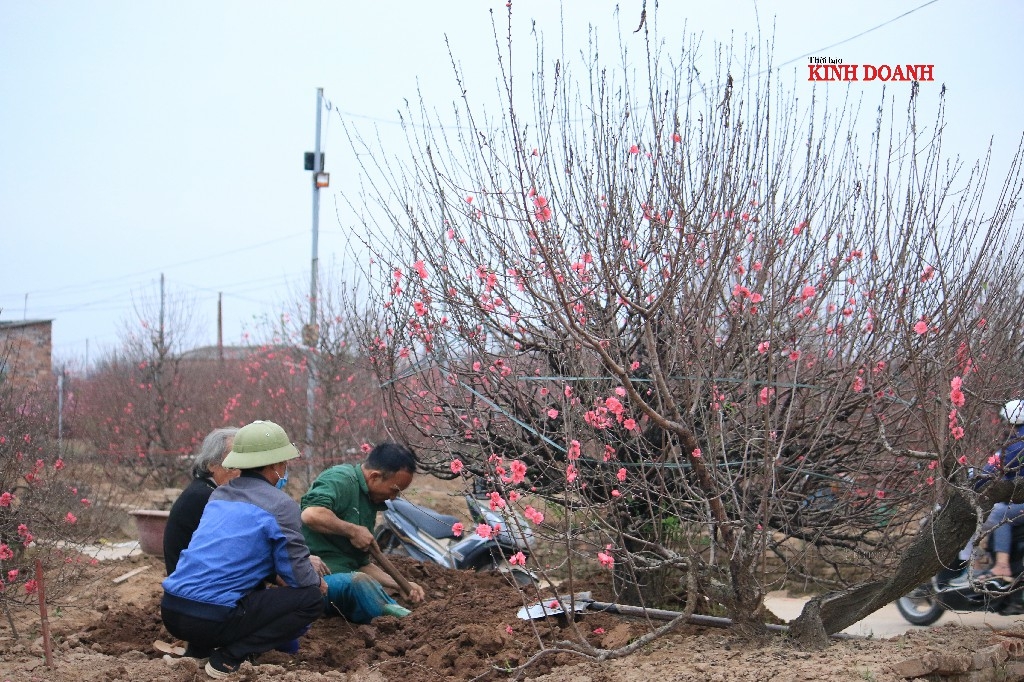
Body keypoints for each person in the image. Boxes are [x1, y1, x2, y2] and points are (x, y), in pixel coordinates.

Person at [161, 420, 327, 679]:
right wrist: (316, 580)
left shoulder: (219, 495)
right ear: (276, 465)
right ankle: (229, 658)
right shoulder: (281, 505)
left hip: (172, 610)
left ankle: (199, 652)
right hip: (211, 618)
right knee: (311, 598)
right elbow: (299, 577)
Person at [300, 442, 426, 623]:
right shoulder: (340, 479)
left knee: (361, 581)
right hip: (316, 583)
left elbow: (361, 564)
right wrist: (352, 531)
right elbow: (311, 514)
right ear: (374, 477)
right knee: (359, 583)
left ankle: (402, 619)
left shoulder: (368, 500)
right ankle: (406, 623)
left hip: (343, 582)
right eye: (393, 490)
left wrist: (400, 585)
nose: (393, 498)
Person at [954, 400, 1024, 586]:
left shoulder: (1016, 446)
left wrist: (972, 481)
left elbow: (990, 473)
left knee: (991, 514)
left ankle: (994, 566)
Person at [163, 427, 239, 575]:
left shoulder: (207, 490)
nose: (240, 472)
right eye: (233, 465)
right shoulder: (205, 497)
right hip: (195, 582)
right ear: (211, 464)